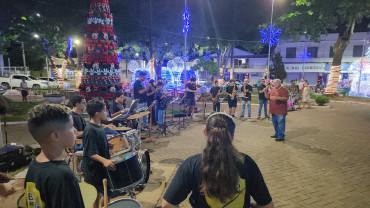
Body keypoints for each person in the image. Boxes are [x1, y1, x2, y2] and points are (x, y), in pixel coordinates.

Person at [162, 112, 273, 208]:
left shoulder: (191, 164)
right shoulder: (247, 163)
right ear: (233, 136)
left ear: (205, 132)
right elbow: (267, 205)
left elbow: (167, 204)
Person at [25, 103, 85, 208]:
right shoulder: (62, 176)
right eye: (71, 126)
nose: (75, 130)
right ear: (55, 136)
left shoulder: (34, 166)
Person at [83, 98, 115, 208]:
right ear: (97, 113)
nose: (106, 112)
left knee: (107, 194)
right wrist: (105, 160)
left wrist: (107, 144)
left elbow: (97, 143)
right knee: (96, 197)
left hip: (100, 168)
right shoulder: (90, 129)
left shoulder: (98, 125)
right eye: (104, 110)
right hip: (93, 170)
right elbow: (90, 152)